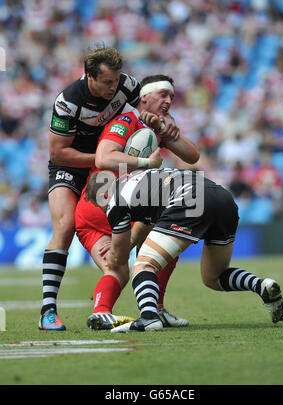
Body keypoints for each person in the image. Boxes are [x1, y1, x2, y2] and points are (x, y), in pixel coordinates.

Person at [39, 46, 180, 331]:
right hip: (71, 166)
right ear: (89, 76)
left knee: (134, 239)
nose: (113, 87)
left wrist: (168, 124)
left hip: (104, 166)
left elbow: (148, 108)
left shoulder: (125, 84)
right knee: (65, 227)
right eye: (106, 82)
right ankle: (48, 310)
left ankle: (151, 306)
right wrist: (107, 158)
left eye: (116, 81)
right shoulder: (67, 102)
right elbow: (58, 154)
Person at [84, 167, 283, 333]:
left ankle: (148, 318)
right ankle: (261, 286)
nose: (104, 211)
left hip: (189, 199)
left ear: (103, 194)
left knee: (143, 266)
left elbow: (118, 259)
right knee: (213, 277)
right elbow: (146, 224)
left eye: (100, 207)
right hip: (222, 197)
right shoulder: (137, 178)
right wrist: (124, 244)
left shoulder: (114, 200)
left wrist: (112, 253)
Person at [74, 75, 200, 330]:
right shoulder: (125, 121)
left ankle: (104, 312)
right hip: (100, 207)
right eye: (163, 94)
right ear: (144, 97)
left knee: (123, 266)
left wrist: (165, 129)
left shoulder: (157, 129)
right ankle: (155, 310)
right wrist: (147, 164)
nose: (168, 101)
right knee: (163, 239)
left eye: (172, 97)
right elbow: (103, 158)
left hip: (117, 209)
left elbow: (192, 155)